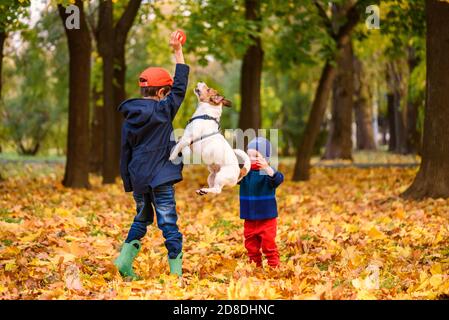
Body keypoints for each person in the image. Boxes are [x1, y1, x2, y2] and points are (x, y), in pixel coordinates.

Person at [114, 31, 189, 280]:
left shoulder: (130, 117)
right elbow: (180, 87)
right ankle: (176, 274)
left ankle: (124, 261)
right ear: (160, 94)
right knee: (168, 222)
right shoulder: (163, 110)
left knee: (142, 217)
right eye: (166, 93)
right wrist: (177, 51)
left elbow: (124, 152)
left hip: (139, 178)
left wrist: (129, 181)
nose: (169, 97)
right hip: (161, 178)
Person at [239, 137, 284, 268]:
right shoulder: (244, 173)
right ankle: (255, 268)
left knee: (268, 245)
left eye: (256, 156)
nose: (251, 158)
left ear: (266, 158)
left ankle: (274, 267)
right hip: (249, 218)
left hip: (267, 219)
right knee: (251, 246)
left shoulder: (268, 173)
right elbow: (234, 179)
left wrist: (267, 168)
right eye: (248, 155)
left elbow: (278, 179)